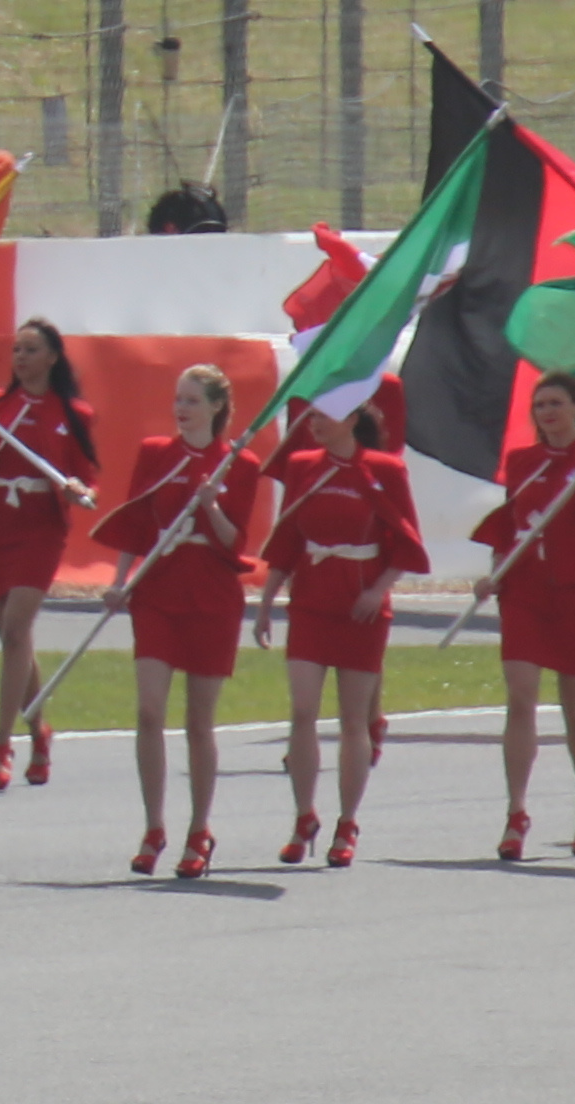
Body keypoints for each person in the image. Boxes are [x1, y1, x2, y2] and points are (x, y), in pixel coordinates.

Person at [100, 365, 271, 880]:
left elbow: (235, 541)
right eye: (179, 399)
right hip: (158, 589)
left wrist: (211, 507)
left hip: (211, 594)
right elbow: (135, 523)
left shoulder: (239, 464)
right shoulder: (156, 453)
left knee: (199, 721)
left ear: (217, 407)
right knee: (149, 710)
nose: (182, 408)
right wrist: (120, 579)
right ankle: (154, 826)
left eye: (193, 400)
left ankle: (200, 829)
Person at [259, 401, 422, 869]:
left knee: (353, 719)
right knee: (303, 709)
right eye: (311, 417)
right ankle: (303, 815)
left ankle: (347, 821)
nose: (314, 424)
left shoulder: (384, 469)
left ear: (352, 420)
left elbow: (405, 543)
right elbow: (287, 538)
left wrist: (378, 589)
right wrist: (267, 602)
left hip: (361, 608)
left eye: (324, 416)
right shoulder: (302, 466)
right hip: (312, 600)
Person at [478, 368, 575, 863]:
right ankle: (516, 811)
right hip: (526, 590)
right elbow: (509, 524)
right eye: (541, 406)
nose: (549, 413)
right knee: (520, 696)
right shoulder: (522, 461)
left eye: (557, 403)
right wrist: (494, 573)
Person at [0, 321, 97, 791]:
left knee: (18, 629)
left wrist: (78, 490)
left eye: (31, 349)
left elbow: (84, 474)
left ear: (52, 357)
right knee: (12, 639)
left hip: (40, 529)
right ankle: (40, 730)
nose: (20, 357)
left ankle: (2, 744)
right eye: (16, 348)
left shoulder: (73, 411)